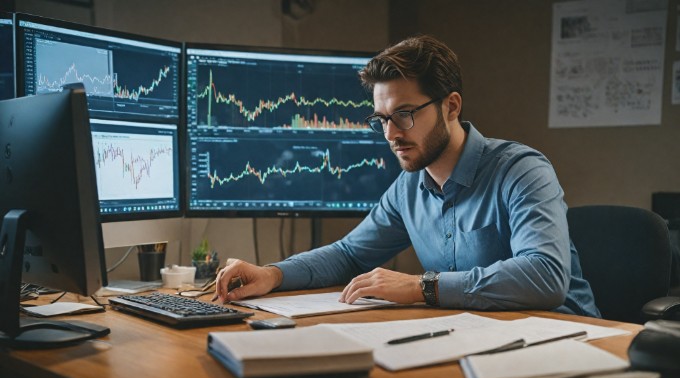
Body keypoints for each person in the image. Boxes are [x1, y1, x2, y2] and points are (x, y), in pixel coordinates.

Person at [214, 35, 600, 317]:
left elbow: (545, 275)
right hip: (474, 337)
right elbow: (349, 255)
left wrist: (420, 286)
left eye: (404, 114)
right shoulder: (408, 188)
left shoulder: (521, 171)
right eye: (381, 120)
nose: (391, 134)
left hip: (566, 340)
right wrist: (273, 274)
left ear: (451, 106)